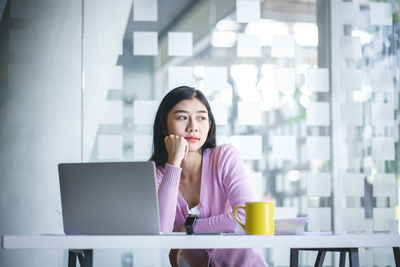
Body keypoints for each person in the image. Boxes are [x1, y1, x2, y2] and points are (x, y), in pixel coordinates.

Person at [150, 86, 267, 267]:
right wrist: (173, 162)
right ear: (165, 126)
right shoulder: (158, 174)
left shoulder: (224, 157)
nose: (193, 127)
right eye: (182, 117)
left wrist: (192, 227)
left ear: (209, 125)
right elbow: (161, 231)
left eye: (201, 118)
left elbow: (247, 217)